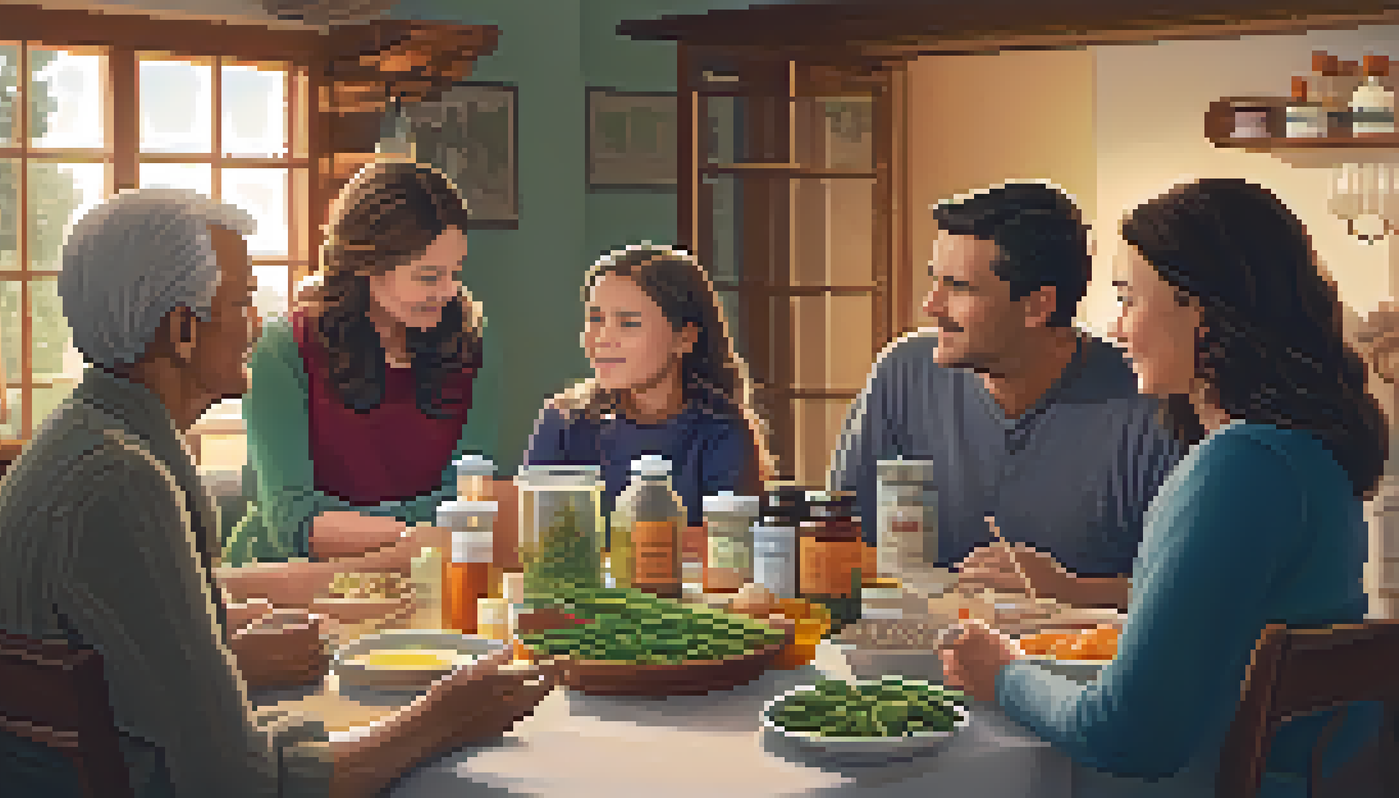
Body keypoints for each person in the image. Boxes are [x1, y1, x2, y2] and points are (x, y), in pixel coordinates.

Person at [0, 188, 559, 798]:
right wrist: (441, 720)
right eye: (244, 299)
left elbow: (120, 671)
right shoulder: (124, 483)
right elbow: (239, 783)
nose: (257, 321)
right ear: (183, 331)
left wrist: (225, 650)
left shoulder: (84, 433)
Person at [937, 178, 1388, 797]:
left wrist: (1005, 672)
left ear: (1202, 315)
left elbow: (1129, 737)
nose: (1116, 329)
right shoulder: (1305, 455)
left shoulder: (1237, 469)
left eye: (1129, 300)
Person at [830, 180, 1182, 601]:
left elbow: (1193, 594)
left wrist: (1069, 590)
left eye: (958, 287)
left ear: (1038, 306)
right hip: (916, 648)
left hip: (1079, 660)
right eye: (935, 281)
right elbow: (837, 539)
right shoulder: (903, 371)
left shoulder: (1147, 401)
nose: (931, 305)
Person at [222, 159, 492, 566]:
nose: (449, 291)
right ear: (366, 263)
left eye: (456, 272)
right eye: (428, 276)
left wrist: (376, 532)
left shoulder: (463, 342)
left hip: (417, 578)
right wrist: (417, 533)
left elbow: (472, 491)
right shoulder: (283, 350)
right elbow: (293, 523)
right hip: (288, 588)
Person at [524, 243, 771, 527]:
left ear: (685, 338)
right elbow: (538, 539)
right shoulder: (564, 421)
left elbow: (730, 548)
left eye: (628, 323)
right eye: (595, 319)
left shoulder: (721, 431)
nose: (602, 338)